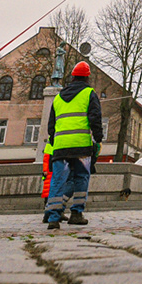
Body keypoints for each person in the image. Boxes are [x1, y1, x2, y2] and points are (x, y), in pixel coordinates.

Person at [44, 60, 104, 228]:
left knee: (58, 179)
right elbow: (95, 118)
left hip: (61, 146)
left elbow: (51, 126)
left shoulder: (58, 98)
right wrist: (98, 140)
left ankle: (53, 217)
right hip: (81, 146)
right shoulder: (89, 93)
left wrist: (56, 141)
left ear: (72, 77)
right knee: (81, 177)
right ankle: (76, 213)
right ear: (87, 78)